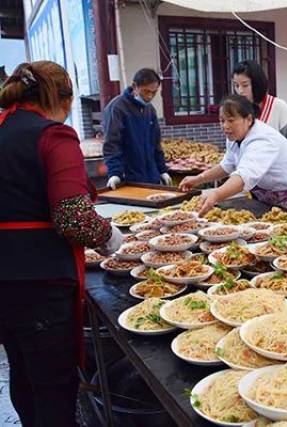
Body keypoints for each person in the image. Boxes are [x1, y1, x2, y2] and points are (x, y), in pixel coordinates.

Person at [0, 62, 122, 427]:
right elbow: (73, 217)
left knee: (22, 372)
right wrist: (112, 237)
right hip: (40, 285)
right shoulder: (54, 135)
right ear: (63, 99)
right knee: (53, 385)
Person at [179, 95, 287, 215]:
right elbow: (228, 165)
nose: (225, 126)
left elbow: (244, 176)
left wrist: (216, 194)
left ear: (248, 119)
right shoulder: (235, 137)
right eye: (222, 121)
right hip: (265, 198)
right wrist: (200, 178)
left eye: (231, 120)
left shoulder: (263, 140)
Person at [103, 68, 170, 189]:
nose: (149, 96)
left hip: (152, 179)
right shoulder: (117, 108)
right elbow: (112, 144)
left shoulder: (150, 110)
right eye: (146, 91)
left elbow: (156, 144)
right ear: (135, 86)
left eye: (153, 93)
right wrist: (114, 173)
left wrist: (162, 170)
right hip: (129, 180)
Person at [232, 60, 287, 150]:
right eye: (236, 86)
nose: (240, 91)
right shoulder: (237, 110)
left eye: (245, 85)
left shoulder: (279, 107)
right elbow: (233, 152)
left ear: (257, 83)